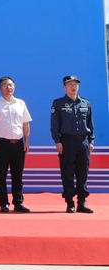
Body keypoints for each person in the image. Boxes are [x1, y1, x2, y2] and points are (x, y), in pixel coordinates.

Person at [0, 76, 32, 213]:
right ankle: (3, 204)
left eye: (11, 85)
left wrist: (27, 141)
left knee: (18, 175)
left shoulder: (21, 103)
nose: (8, 87)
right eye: (5, 85)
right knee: (1, 176)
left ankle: (18, 203)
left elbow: (26, 123)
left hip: (18, 144)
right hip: (1, 144)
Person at [50, 75, 94, 214]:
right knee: (67, 172)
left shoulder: (85, 103)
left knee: (83, 172)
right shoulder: (58, 103)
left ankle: (82, 202)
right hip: (67, 142)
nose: (73, 87)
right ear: (64, 87)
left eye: (75, 84)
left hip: (83, 142)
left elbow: (90, 124)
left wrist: (91, 141)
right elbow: (55, 125)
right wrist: (57, 141)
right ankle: (70, 203)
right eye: (70, 84)